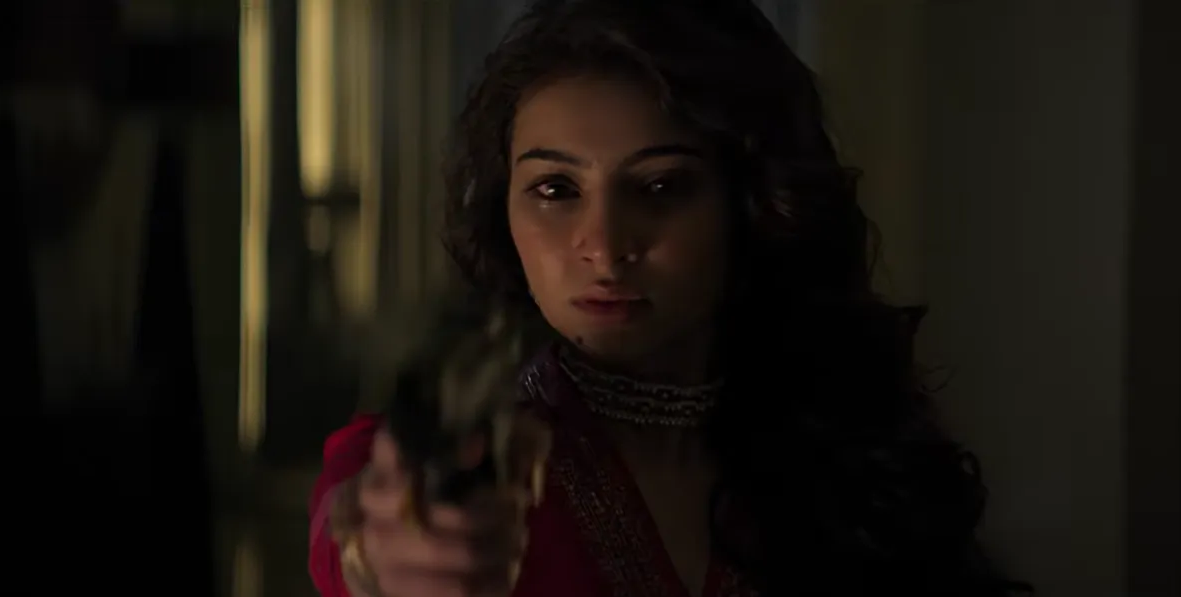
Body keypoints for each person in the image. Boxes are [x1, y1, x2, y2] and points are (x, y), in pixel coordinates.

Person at [309, 1, 1027, 595]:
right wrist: (388, 553)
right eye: (556, 189)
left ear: (751, 205)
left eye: (660, 187)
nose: (604, 246)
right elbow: (358, 532)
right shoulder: (463, 463)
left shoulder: (848, 443)